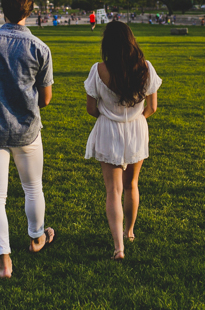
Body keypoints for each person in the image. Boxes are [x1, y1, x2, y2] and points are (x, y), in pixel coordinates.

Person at [0, 0, 55, 279]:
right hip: (27, 129)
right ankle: (37, 238)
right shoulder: (40, 48)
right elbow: (46, 98)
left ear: (2, 10)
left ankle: (4, 262)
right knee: (33, 188)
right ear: (30, 11)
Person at [84, 20, 161, 261]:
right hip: (136, 129)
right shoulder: (146, 68)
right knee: (131, 185)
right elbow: (153, 107)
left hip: (109, 130)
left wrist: (110, 117)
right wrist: (136, 119)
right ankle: (129, 232)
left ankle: (119, 248)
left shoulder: (98, 70)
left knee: (113, 190)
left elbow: (91, 109)